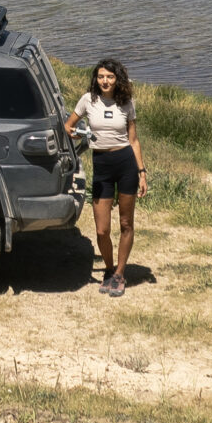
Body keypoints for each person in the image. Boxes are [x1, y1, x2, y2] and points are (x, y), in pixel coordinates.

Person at [68, 58, 147, 296]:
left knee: (125, 223)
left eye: (110, 77)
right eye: (101, 76)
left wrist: (142, 172)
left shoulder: (126, 103)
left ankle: (120, 274)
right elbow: (69, 126)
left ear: (117, 79)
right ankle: (109, 269)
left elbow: (133, 140)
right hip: (101, 164)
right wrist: (81, 134)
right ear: (96, 78)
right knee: (102, 229)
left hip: (126, 164)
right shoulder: (88, 100)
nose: (105, 81)